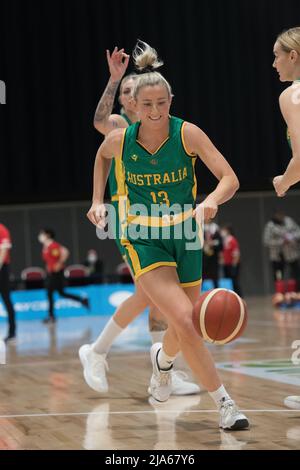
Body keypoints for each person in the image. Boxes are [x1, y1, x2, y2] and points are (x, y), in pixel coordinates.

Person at [85, 40, 249, 430]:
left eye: (163, 103)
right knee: (189, 322)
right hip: (141, 235)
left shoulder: (188, 134)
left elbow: (230, 178)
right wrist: (96, 200)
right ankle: (226, 405)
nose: (156, 111)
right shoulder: (120, 138)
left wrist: (211, 199)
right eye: (148, 105)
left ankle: (162, 363)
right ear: (134, 107)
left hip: (185, 233)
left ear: (170, 100)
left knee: (182, 326)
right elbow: (101, 156)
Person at [80, 47, 199, 396]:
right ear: (129, 101)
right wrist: (115, 79)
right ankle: (102, 352)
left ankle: (157, 365)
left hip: (166, 217)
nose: (137, 96)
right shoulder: (119, 126)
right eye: (131, 92)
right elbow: (99, 122)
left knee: (151, 296)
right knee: (150, 293)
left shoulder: (165, 129)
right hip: (127, 215)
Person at [272, 27, 300, 410]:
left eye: (278, 54)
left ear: (294, 56)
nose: (274, 62)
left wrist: (284, 180)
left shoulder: (292, 95)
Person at [38, 228, 89, 323]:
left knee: (50, 293)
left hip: (56, 273)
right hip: (51, 273)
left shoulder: (53, 245)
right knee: (61, 293)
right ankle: (82, 300)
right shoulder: (46, 246)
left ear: (48, 235)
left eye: (42, 234)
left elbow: (64, 252)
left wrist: (59, 263)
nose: (40, 236)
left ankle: (51, 316)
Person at [263, 210, 300, 285]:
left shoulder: (289, 221)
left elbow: (298, 231)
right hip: (277, 256)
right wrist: (281, 241)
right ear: (275, 216)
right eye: (278, 215)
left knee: (295, 273)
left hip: (291, 253)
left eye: (282, 214)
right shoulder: (270, 225)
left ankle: (296, 292)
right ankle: (280, 293)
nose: (281, 216)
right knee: (279, 275)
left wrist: (292, 237)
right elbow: (266, 241)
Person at [0, 223, 16, 342]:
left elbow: (4, 250)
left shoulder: (2, 229)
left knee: (6, 299)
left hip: (2, 269)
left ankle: (12, 333)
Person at [221, 224, 242, 296]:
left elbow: (236, 253)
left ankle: (239, 296)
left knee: (235, 282)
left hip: (233, 264)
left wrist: (234, 264)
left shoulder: (232, 240)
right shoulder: (224, 240)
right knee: (228, 282)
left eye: (224, 230)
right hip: (226, 264)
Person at [203, 221, 223, 288]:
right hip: (203, 258)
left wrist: (212, 243)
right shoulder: (199, 227)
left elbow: (220, 243)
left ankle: (217, 293)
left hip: (214, 258)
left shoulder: (216, 228)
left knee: (215, 277)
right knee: (201, 277)